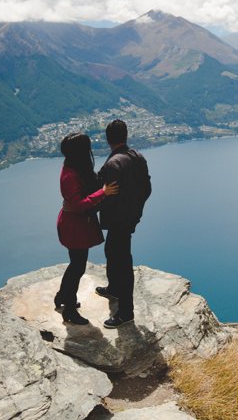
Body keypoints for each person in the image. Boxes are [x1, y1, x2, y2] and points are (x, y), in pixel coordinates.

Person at [55, 132, 119, 325]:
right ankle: (69, 310)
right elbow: (80, 204)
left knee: (76, 264)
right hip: (73, 225)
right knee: (77, 266)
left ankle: (63, 297)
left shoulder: (73, 168)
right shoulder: (70, 175)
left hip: (74, 223)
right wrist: (104, 192)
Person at [96, 119, 152, 329]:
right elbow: (147, 189)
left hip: (119, 220)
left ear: (108, 139)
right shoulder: (138, 157)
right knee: (111, 251)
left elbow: (107, 196)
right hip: (130, 217)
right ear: (126, 135)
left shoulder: (113, 164)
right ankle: (114, 289)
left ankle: (126, 312)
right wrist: (135, 208)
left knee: (122, 263)